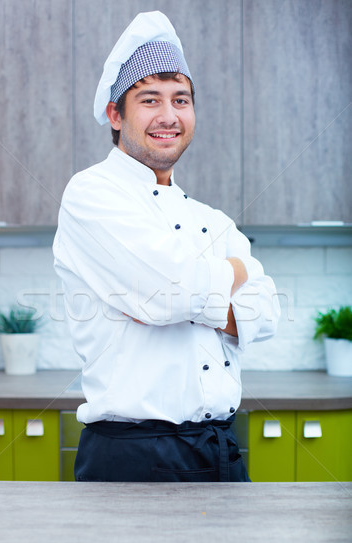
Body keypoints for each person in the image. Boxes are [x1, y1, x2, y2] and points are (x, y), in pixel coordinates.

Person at [53, 11, 280, 482]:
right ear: (116, 114)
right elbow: (169, 292)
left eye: (181, 99)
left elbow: (269, 311)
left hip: (220, 449)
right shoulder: (90, 193)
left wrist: (179, 297)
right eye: (149, 99)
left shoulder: (211, 219)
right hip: (133, 456)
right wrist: (232, 275)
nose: (169, 116)